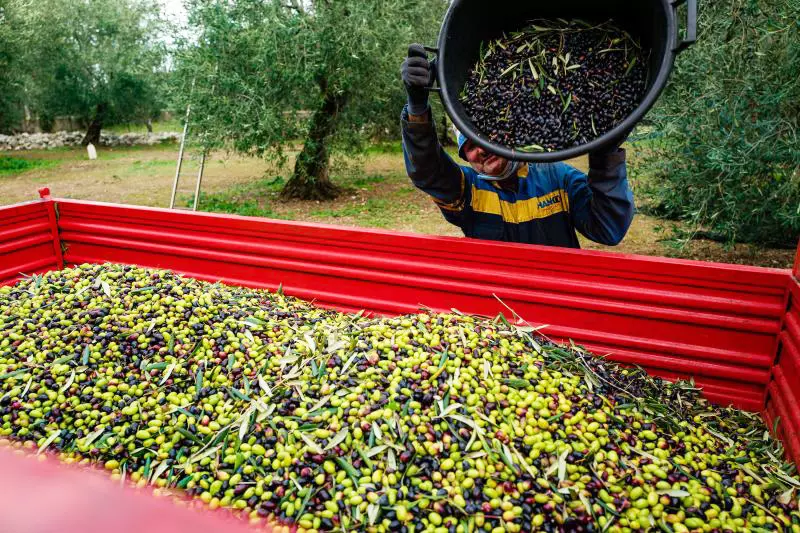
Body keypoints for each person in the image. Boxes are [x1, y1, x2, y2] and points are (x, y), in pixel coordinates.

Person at [400, 44, 635, 248]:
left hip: (555, 296)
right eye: (469, 148)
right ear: (466, 159)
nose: (480, 150)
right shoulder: (468, 192)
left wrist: (605, 156)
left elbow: (608, 229)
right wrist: (417, 108)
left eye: (483, 138)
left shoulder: (559, 179)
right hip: (499, 299)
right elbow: (428, 172)